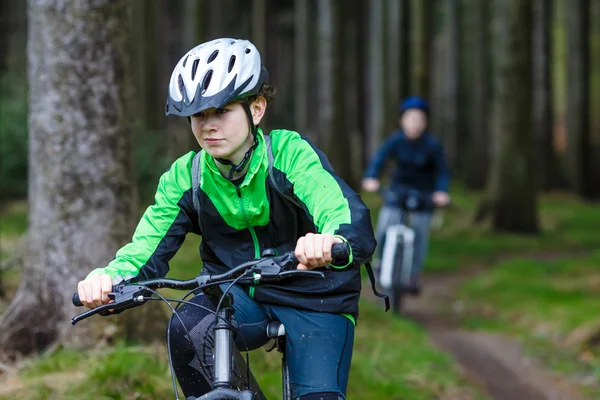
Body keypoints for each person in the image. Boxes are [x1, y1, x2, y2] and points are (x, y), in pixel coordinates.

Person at [76, 38, 376, 400]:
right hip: (237, 297)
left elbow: (336, 206)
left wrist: (332, 239)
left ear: (257, 109)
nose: (208, 126)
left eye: (221, 111)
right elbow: (145, 248)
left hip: (316, 296)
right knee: (188, 328)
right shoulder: (186, 178)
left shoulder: (289, 154)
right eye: (198, 115)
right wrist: (109, 278)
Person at [362, 96, 450, 290]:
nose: (414, 124)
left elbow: (442, 171)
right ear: (402, 120)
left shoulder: (432, 145)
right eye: (410, 119)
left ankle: (412, 275)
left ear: (425, 122)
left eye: (419, 120)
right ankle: (379, 263)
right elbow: (380, 159)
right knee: (385, 225)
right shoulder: (395, 141)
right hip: (397, 193)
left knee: (420, 234)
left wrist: (442, 192)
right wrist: (371, 177)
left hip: (424, 195)